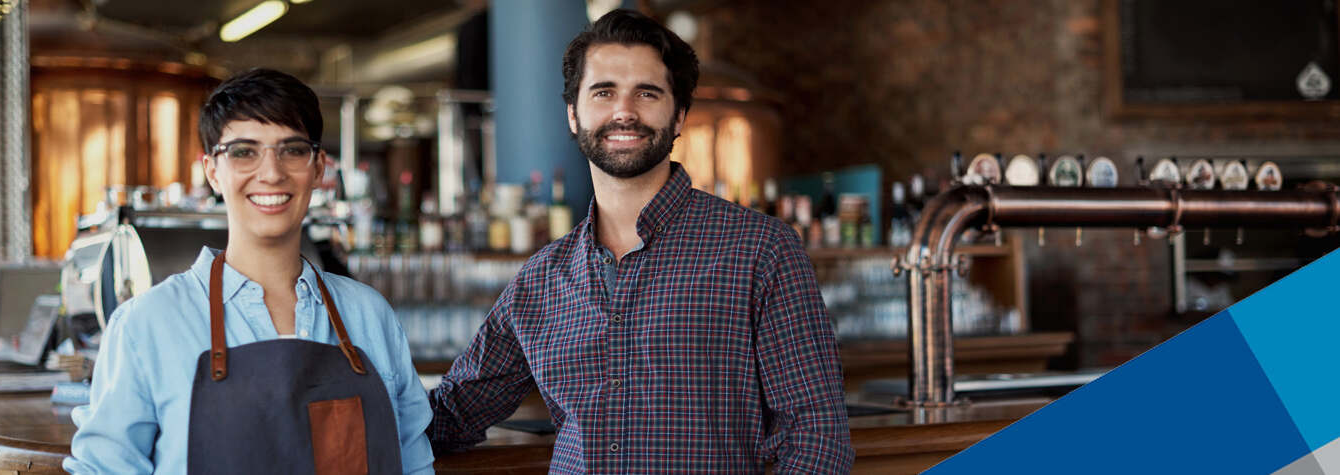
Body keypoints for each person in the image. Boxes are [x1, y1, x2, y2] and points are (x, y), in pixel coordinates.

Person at [427, 9, 854, 473]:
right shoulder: (542, 278)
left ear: (678, 116)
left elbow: (815, 437)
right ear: (573, 115)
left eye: (646, 93)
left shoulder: (760, 250)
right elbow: (454, 412)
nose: (624, 111)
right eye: (603, 92)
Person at [65, 68, 434, 474]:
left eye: (292, 149)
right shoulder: (146, 325)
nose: (271, 173)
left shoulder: (370, 315)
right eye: (244, 151)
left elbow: (413, 464)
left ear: (318, 169)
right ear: (212, 172)